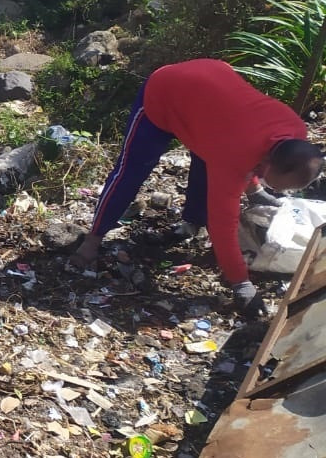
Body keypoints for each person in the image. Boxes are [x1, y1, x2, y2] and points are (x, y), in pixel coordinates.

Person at [69, 59, 323, 317]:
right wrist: (241, 283)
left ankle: (193, 219)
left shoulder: (295, 129)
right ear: (268, 162)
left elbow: (248, 161)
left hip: (213, 94)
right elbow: (222, 224)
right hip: (166, 91)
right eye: (262, 176)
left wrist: (255, 191)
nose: (258, 174)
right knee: (131, 171)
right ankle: (93, 239)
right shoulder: (234, 154)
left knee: (210, 157)